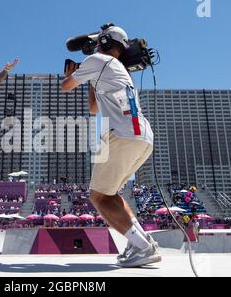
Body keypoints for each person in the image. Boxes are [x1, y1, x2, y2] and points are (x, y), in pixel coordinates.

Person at [61, 25, 160, 268]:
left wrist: (71, 74)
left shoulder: (98, 59)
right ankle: (142, 240)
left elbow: (65, 86)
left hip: (121, 136)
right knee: (111, 194)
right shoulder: (118, 69)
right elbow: (93, 108)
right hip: (141, 138)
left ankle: (142, 246)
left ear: (103, 42)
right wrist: (90, 80)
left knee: (98, 197)